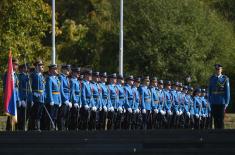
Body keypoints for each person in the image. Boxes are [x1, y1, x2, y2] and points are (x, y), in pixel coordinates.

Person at [208, 64, 230, 129]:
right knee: (215, 119)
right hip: (214, 102)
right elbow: (209, 91)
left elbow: (227, 92)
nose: (217, 71)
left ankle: (221, 135)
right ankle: (216, 136)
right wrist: (209, 101)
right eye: (216, 69)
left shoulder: (225, 79)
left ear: (221, 70)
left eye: (218, 69)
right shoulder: (212, 78)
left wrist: (227, 102)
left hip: (222, 102)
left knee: (221, 119)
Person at [45, 64, 61, 130]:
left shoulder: (57, 79)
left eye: (56, 69)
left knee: (55, 116)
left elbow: (59, 91)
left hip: (57, 99)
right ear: (51, 70)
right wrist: (51, 100)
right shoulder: (49, 78)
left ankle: (53, 127)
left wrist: (60, 100)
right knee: (50, 116)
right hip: (52, 100)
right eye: (55, 69)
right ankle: (49, 128)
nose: (56, 70)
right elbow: (49, 90)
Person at [30, 59, 45, 131]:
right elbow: (30, 86)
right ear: (36, 66)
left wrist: (44, 95)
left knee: (40, 113)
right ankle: (34, 127)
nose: (42, 67)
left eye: (42, 65)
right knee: (35, 112)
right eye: (40, 65)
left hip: (41, 97)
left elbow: (43, 87)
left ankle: (38, 127)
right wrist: (33, 94)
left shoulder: (41, 76)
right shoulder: (33, 75)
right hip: (35, 97)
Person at [58, 64, 71, 131]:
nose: (69, 71)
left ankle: (64, 129)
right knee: (62, 116)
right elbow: (61, 90)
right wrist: (64, 99)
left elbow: (68, 90)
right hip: (63, 100)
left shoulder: (66, 78)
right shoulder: (61, 77)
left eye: (69, 69)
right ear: (63, 70)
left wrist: (69, 100)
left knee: (66, 116)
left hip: (67, 100)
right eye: (67, 69)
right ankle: (61, 129)